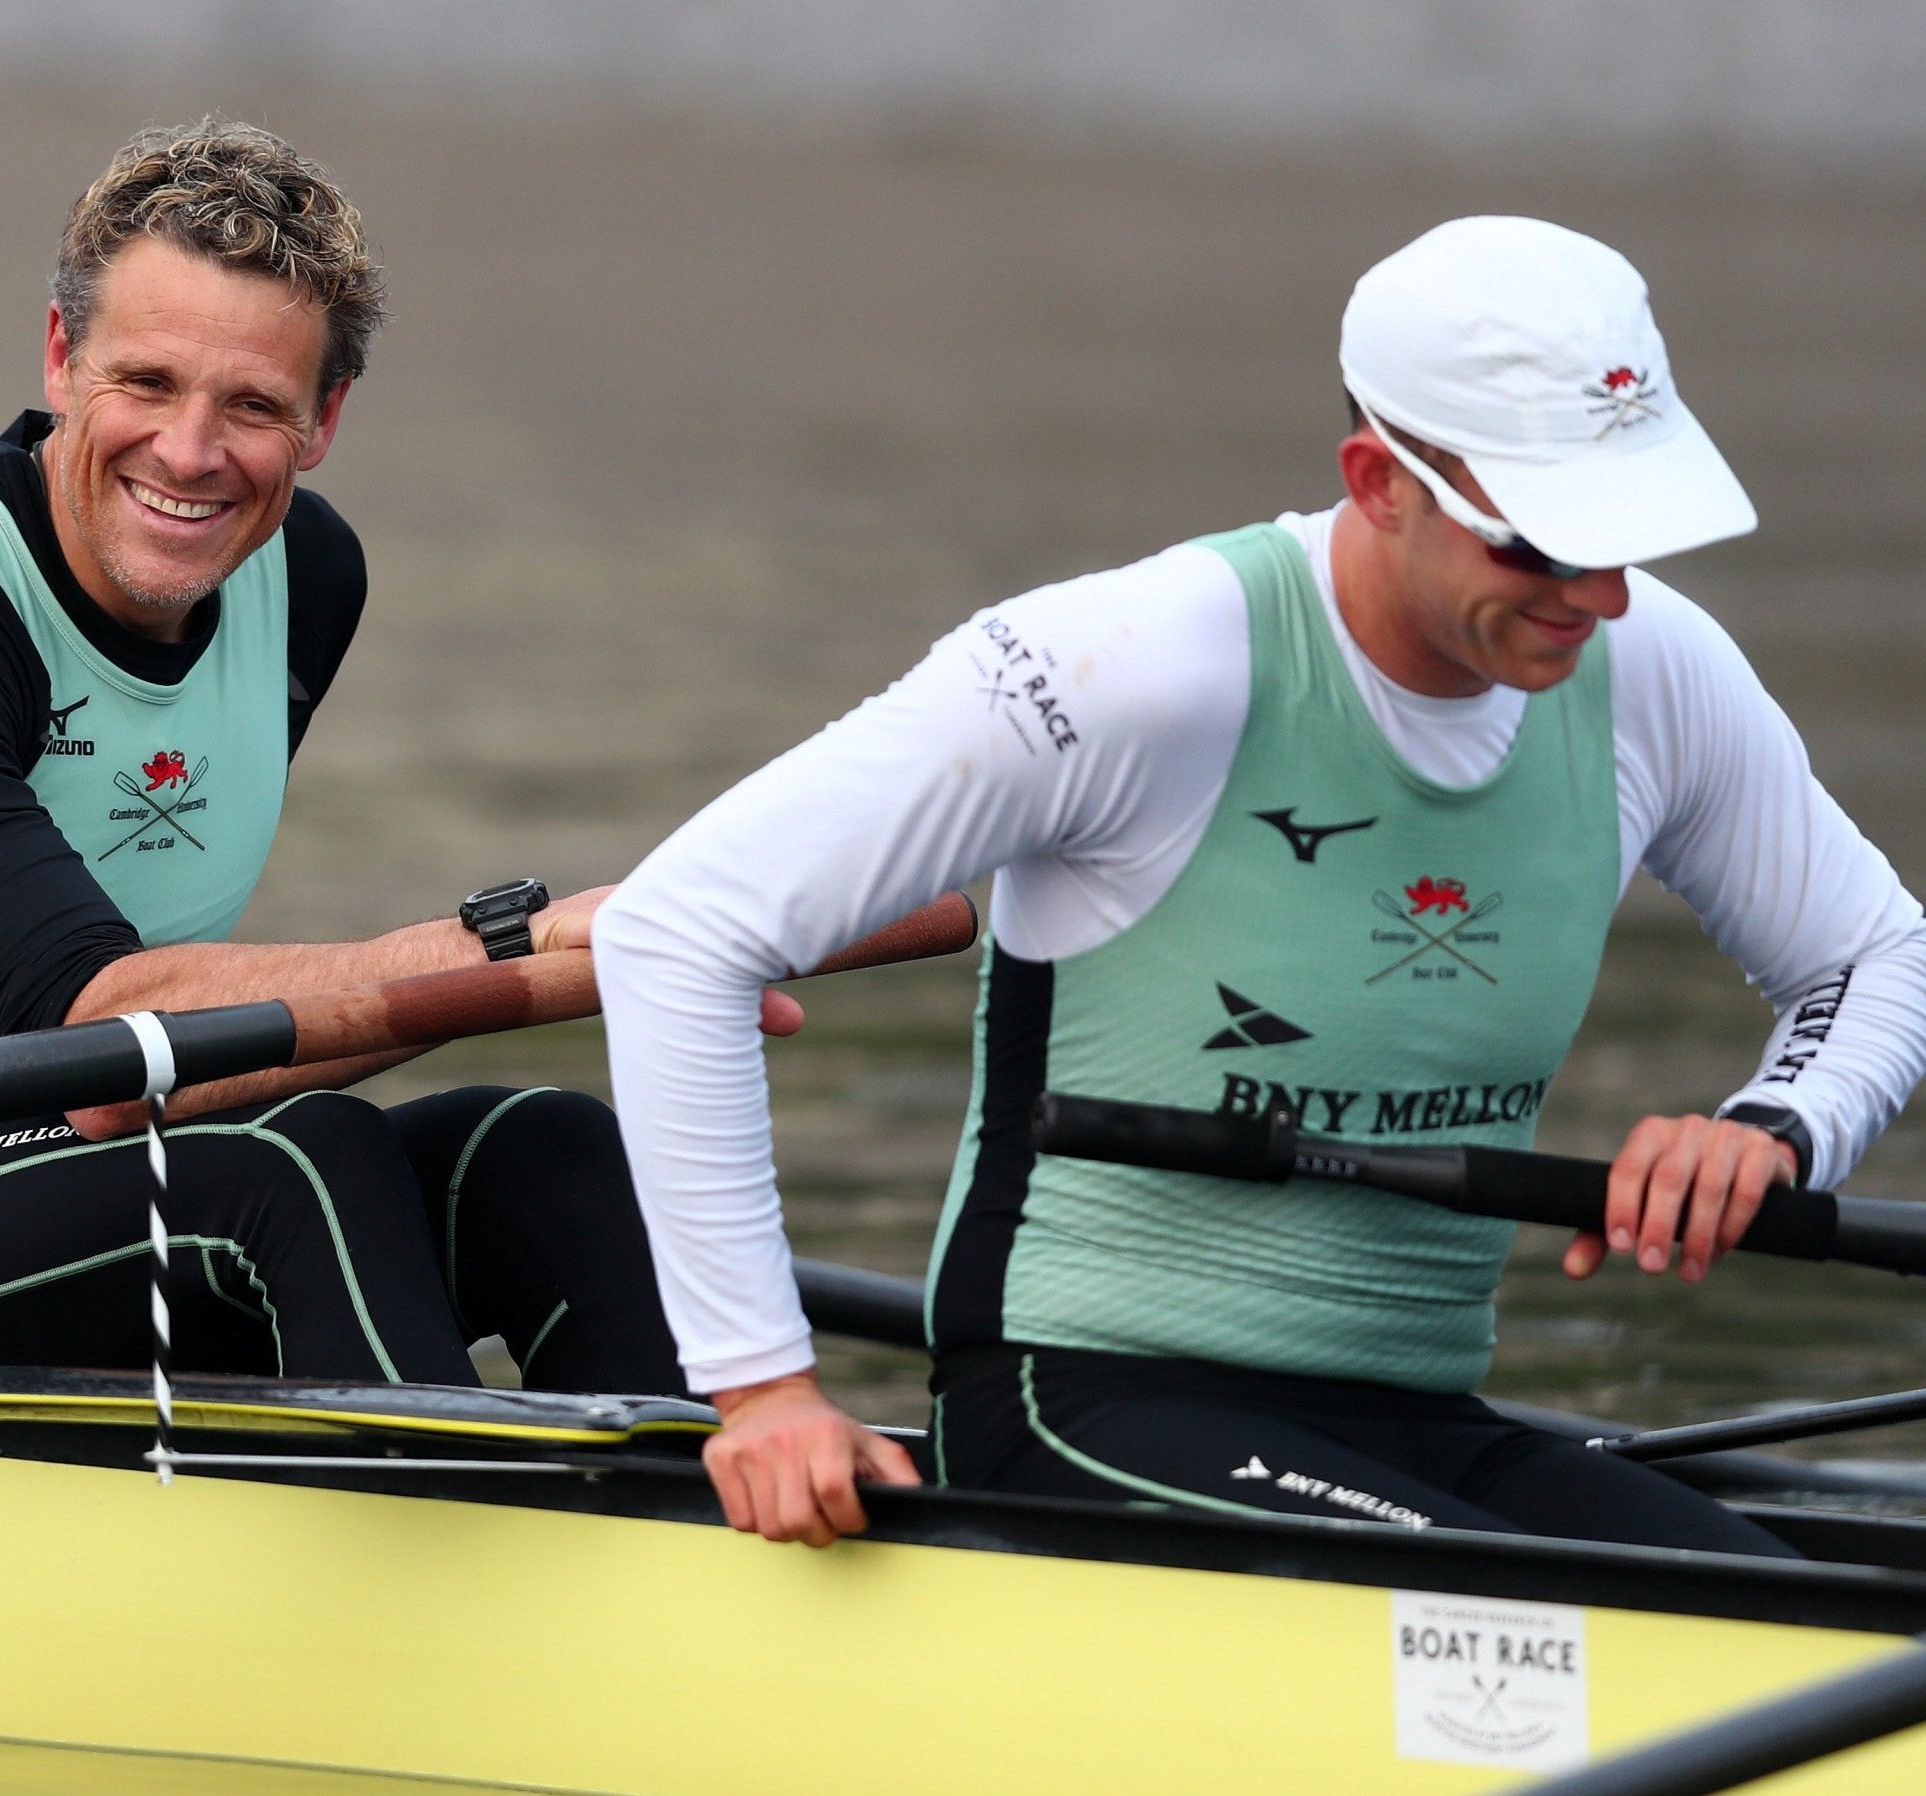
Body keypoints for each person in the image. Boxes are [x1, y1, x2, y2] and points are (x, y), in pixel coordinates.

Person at [592, 216, 1926, 1550]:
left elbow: (1875, 956)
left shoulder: (1654, 681)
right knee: (1614, 1619)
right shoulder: (1128, 664)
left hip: (1420, 1416)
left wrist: (1769, 1129)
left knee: (1822, 1626)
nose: (1597, 596)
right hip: (1082, 1409)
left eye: (1622, 536)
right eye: (1538, 542)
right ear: (1375, 478)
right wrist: (761, 1389)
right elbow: (676, 932)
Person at [0, 119, 761, 1391]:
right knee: (294, 1164)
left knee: (540, 1147)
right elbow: (109, 1051)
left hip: (49, 1175)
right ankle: (431, 1536)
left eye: (254, 405)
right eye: (148, 383)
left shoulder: (309, 578)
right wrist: (520, 947)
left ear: (324, 418)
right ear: (61, 358)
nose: (189, 453)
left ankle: (701, 1507)